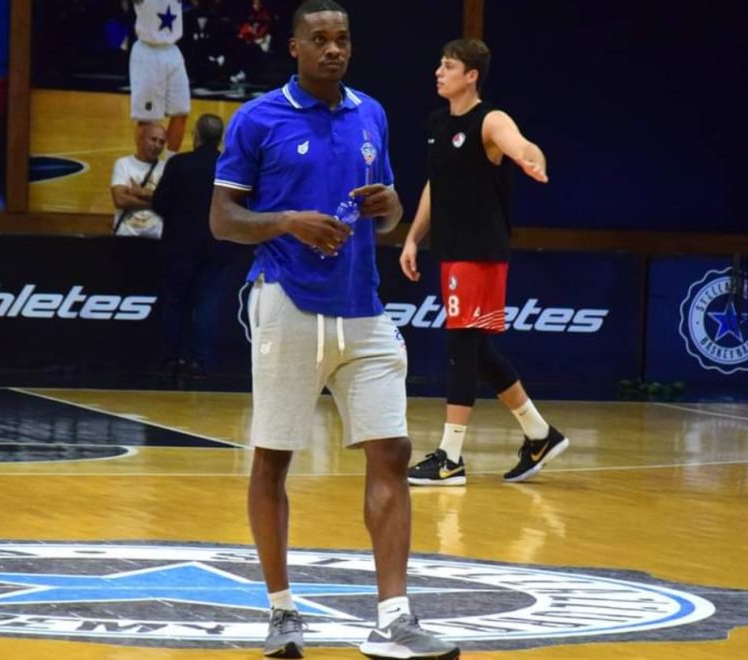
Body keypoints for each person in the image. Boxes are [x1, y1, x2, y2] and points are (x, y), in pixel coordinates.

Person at [210, 2, 459, 658]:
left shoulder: (370, 113)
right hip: (286, 302)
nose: (333, 49)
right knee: (273, 457)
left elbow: (389, 214)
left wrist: (392, 206)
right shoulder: (258, 118)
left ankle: (394, 619)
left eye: (342, 39)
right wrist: (287, 221)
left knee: (393, 450)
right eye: (319, 39)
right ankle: (281, 611)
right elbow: (222, 220)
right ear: (294, 46)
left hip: (364, 308)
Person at [402, 38, 568, 486]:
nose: (439, 72)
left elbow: (523, 146)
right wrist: (413, 238)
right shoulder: (438, 123)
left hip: (479, 251)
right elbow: (435, 186)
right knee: (477, 350)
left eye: (448, 66)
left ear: (471, 76)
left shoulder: (490, 120)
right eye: (439, 64)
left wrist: (531, 161)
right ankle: (540, 434)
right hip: (451, 250)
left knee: (462, 348)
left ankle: (450, 458)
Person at [151, 113, 233, 378]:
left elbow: (159, 202)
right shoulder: (228, 166)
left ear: (195, 135)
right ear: (220, 139)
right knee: (207, 304)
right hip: (216, 247)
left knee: (175, 303)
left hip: (179, 246)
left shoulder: (179, 163)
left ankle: (169, 359)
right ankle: (200, 361)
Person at [130, 0, 191, 154]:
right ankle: (144, 165)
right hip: (148, 51)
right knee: (147, 118)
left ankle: (170, 164)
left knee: (181, 111)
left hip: (173, 50)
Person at [111, 122, 168, 238]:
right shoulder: (123, 164)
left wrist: (141, 193)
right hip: (126, 237)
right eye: (153, 139)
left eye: (161, 142)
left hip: (156, 239)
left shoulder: (167, 168)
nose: (157, 145)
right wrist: (155, 203)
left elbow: (170, 201)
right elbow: (120, 200)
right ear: (142, 139)